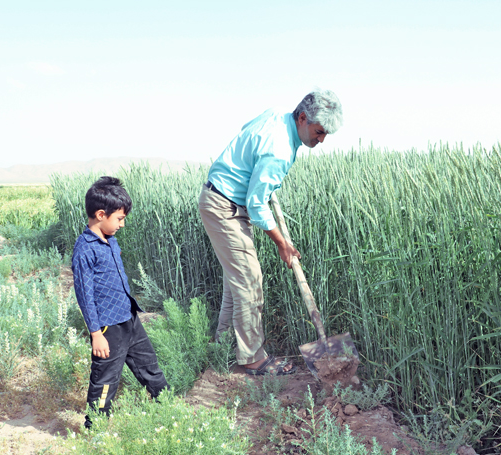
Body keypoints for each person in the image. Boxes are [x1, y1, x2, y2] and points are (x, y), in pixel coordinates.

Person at [198, 90, 343, 376]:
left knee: (236, 279)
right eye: (319, 131)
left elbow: (245, 132)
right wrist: (282, 243)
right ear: (302, 118)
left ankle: (224, 345)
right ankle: (252, 359)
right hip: (225, 206)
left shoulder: (277, 114)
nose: (322, 140)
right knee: (250, 280)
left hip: (221, 199)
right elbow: (256, 203)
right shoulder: (279, 151)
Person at [72, 176, 169, 428]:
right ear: (101, 214)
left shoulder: (110, 240)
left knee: (150, 367)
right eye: (119, 219)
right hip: (108, 327)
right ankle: (96, 428)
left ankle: (170, 409)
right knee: (105, 380)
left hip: (129, 318)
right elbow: (84, 294)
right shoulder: (85, 249)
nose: (122, 225)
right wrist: (96, 333)